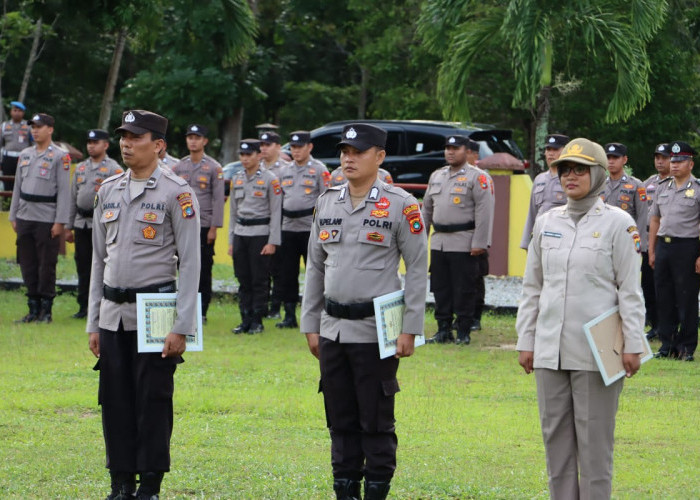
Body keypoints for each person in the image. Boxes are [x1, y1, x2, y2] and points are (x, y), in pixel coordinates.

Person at [300, 123, 428, 500]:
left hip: (376, 332)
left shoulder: (401, 204)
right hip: (333, 329)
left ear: (379, 156)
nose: (348, 158)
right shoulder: (327, 201)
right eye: (344, 151)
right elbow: (315, 267)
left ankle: (375, 491)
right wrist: (310, 323)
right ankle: (345, 490)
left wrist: (410, 328)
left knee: (375, 419)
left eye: (358, 151)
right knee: (339, 418)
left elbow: (418, 268)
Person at [516, 137, 645, 500]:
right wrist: (526, 340)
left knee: (594, 447)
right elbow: (533, 287)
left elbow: (630, 292)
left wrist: (633, 344)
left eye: (580, 170)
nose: (570, 176)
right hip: (549, 350)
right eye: (564, 169)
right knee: (555, 445)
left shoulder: (620, 224)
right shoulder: (546, 221)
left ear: (600, 174)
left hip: (597, 351)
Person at [87, 109, 200, 499]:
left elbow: (190, 263)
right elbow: (98, 262)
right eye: (123, 136)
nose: (126, 143)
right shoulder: (109, 190)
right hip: (112, 316)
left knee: (152, 401)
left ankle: (149, 484)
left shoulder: (177, 192)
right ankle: (121, 483)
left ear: (159, 146)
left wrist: (182, 325)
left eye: (135, 137)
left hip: (155, 314)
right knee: (114, 401)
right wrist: (92, 322)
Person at [422, 134, 495, 344]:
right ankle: (443, 329)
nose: (450, 152)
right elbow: (426, 210)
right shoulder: (436, 176)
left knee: (465, 288)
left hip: (464, 240)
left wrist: (480, 243)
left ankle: (463, 331)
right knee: (440, 287)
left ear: (467, 151)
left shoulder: (477, 177)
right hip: (439, 241)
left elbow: (485, 211)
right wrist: (420, 238)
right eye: (447, 148)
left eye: (455, 148)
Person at [8, 113, 70, 323]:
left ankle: (46, 309)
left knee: (46, 265)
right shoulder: (25, 154)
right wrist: (13, 215)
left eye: (39, 127)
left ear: (50, 129)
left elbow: (64, 191)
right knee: (27, 263)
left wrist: (60, 221)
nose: (34, 130)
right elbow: (17, 186)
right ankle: (32, 308)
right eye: (32, 127)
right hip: (25, 215)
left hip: (47, 217)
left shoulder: (60, 156)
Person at [648, 140, 699, 362]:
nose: (675, 165)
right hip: (664, 247)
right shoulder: (662, 187)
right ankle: (667, 344)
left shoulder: (697, 189)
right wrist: (651, 250)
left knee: (686, 298)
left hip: (687, 247)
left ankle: (686, 347)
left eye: (681, 161)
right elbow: (655, 220)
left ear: (691, 164)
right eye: (673, 161)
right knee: (664, 297)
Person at [65, 129, 123, 319]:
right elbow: (72, 198)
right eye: (89, 142)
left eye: (95, 142)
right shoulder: (81, 168)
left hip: (102, 225)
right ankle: (83, 306)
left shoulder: (114, 169)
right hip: (82, 224)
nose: (91, 145)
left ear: (105, 145)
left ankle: (100, 306)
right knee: (82, 266)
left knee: (101, 266)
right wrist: (68, 226)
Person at [276, 131, 329, 328]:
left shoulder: (319, 169)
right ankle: (289, 315)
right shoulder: (284, 170)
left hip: (310, 227)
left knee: (315, 271)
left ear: (310, 147)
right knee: (287, 273)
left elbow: (326, 200)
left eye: (300, 147)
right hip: (288, 227)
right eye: (293, 147)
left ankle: (318, 314)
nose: (296, 151)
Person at [228, 139, 282, 334]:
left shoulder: (270, 179)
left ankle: (257, 320)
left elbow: (276, 212)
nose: (244, 159)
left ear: (259, 156)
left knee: (259, 279)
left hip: (260, 234)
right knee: (243, 279)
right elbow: (233, 212)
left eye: (248, 155)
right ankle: (245, 319)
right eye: (241, 155)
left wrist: (273, 242)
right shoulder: (237, 178)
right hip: (241, 233)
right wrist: (231, 240)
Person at [172, 124, 224, 323]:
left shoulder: (213, 168)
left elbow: (218, 200)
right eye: (190, 137)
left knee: (203, 268)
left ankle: (201, 310)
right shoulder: (178, 167)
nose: (193, 140)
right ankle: (183, 307)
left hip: (203, 226)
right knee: (180, 267)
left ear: (205, 141)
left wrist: (214, 228)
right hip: (182, 225)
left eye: (197, 137)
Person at [259, 130, 291, 319]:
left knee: (279, 268)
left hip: (282, 223)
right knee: (262, 268)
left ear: (278, 147)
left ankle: (276, 307)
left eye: (268, 144)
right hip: (262, 224)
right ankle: (262, 305)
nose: (264, 148)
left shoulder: (286, 169)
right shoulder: (257, 167)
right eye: (262, 145)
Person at [641, 143, 671, 340]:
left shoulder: (675, 182)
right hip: (648, 240)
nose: (659, 161)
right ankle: (655, 325)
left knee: (666, 287)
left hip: (667, 240)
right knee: (649, 286)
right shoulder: (648, 184)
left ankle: (669, 325)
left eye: (664, 157)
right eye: (657, 157)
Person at [520, 134, 570, 249]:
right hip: (539, 238)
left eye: (555, 149)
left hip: (562, 239)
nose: (550, 153)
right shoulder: (539, 179)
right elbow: (532, 213)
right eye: (548, 149)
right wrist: (526, 243)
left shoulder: (570, 179)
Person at [466, 138, 488, 331]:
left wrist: (481, 240)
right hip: (454, 239)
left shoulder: (481, 178)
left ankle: (475, 317)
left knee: (475, 278)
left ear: (474, 155)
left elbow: (485, 211)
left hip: (474, 234)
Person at [600, 142, 647, 231]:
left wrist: (639, 243)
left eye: (615, 157)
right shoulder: (600, 184)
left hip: (626, 235)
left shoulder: (636, 185)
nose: (611, 161)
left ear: (624, 160)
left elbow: (642, 217)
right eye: (608, 158)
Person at [1, 101, 32, 193]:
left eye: (19, 111)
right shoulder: (4, 126)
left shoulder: (29, 126)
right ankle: (7, 204)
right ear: (11, 112)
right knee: (7, 182)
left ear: (23, 113)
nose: (17, 113)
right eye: (15, 110)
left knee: (23, 182)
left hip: (23, 158)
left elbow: (33, 144)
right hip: (8, 158)